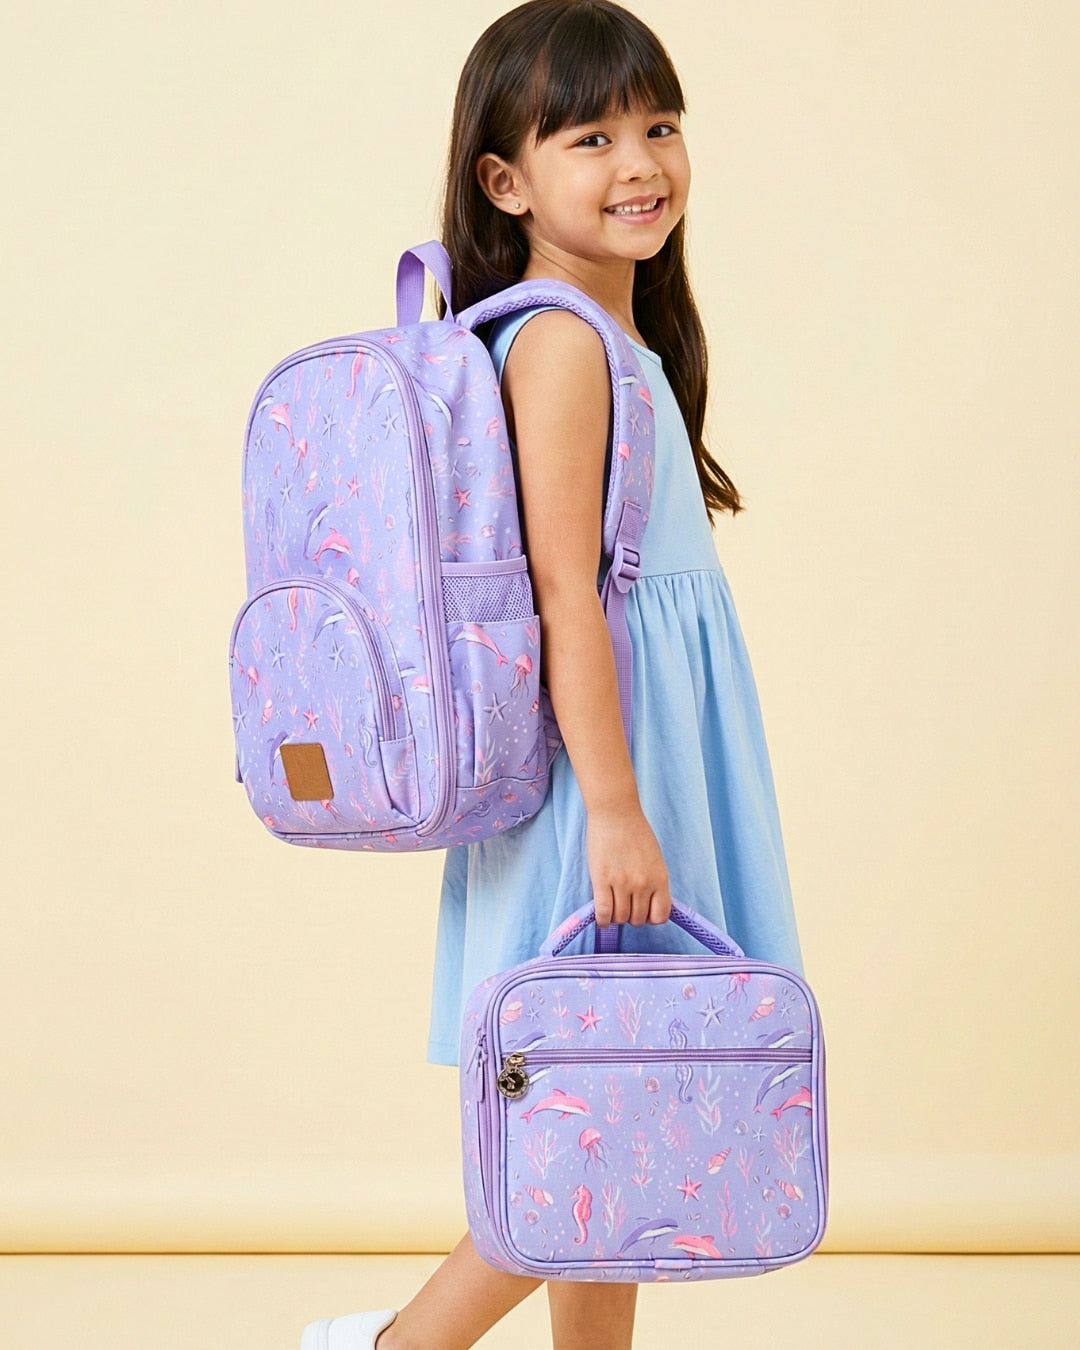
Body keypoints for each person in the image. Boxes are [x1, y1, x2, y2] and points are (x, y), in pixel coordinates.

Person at [301, 2, 805, 1346]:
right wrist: (618, 807)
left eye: (659, 126)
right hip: (610, 773)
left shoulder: (619, 340)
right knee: (585, 1132)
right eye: (591, 136)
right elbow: (563, 597)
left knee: (620, 1112)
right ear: (507, 182)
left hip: (637, 762)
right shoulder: (565, 345)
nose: (639, 161)